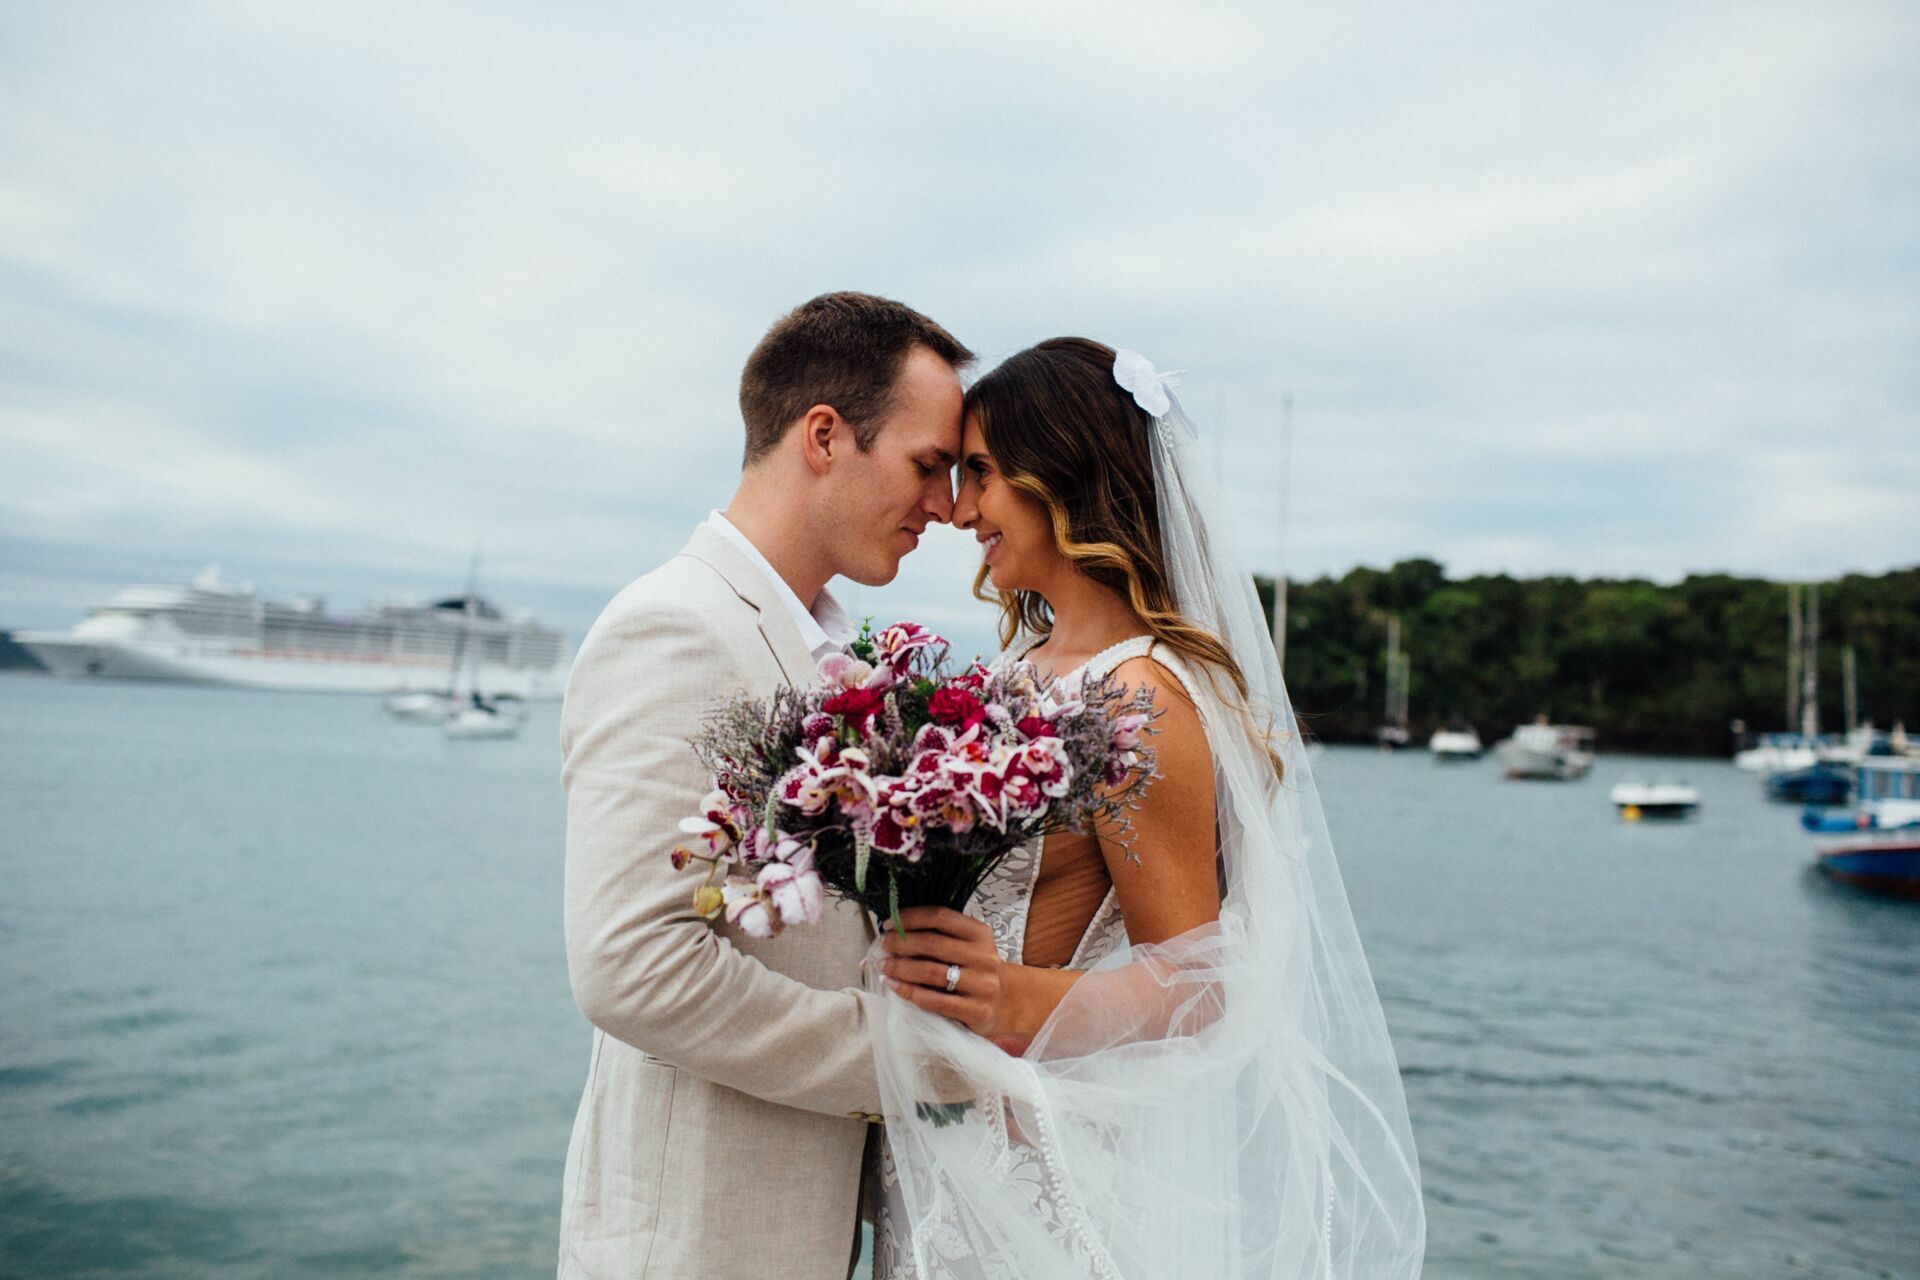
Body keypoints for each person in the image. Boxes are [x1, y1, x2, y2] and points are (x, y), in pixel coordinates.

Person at [865, 339, 1427, 1278]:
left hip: (1041, 1178)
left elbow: (1199, 979)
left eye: (984, 475)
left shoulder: (1138, 700)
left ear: (1063, 478)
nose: (960, 510)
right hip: (950, 1154)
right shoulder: (1017, 673)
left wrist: (1012, 997)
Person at [557, 292, 972, 1280]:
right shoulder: (676, 628)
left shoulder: (830, 652)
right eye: (927, 465)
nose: (948, 506)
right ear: (824, 436)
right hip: (696, 1240)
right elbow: (630, 961)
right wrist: (903, 1064)